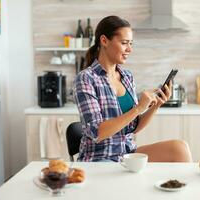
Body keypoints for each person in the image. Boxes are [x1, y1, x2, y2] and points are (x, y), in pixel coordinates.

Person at [74, 15, 192, 162]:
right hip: (100, 158)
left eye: (131, 43)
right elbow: (97, 132)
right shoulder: (86, 78)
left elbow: (133, 127)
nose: (129, 49)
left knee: (179, 148)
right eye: (124, 43)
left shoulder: (127, 76)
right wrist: (138, 108)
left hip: (127, 153)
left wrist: (157, 105)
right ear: (104, 41)